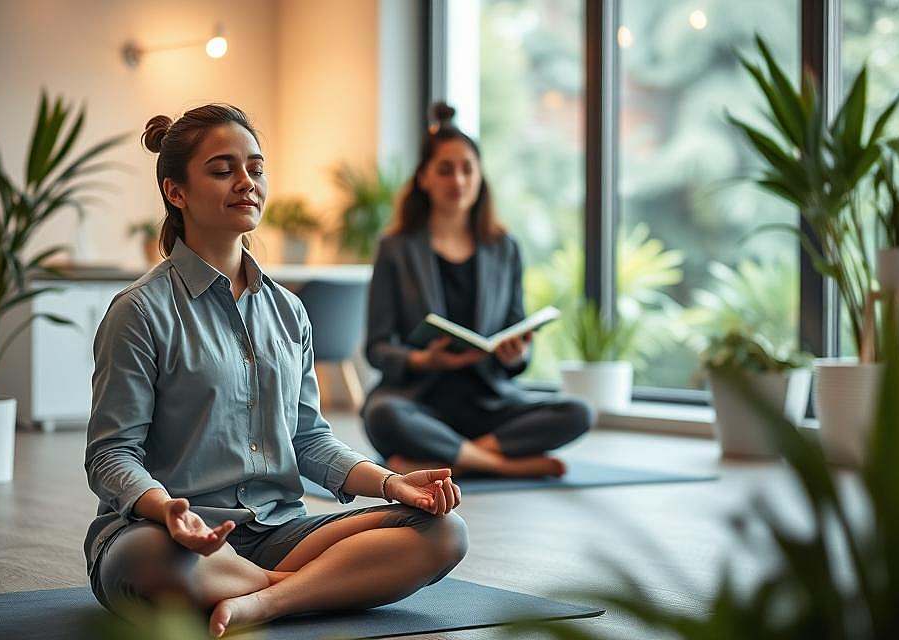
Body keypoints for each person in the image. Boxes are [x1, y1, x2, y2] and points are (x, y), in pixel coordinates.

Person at [83, 104, 468, 638]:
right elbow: (110, 455)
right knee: (143, 561)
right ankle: (311, 586)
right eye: (223, 170)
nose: (246, 183)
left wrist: (392, 484)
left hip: (281, 530)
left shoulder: (289, 311)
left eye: (255, 169)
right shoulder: (140, 312)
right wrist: (166, 509)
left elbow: (309, 440)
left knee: (444, 534)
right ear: (176, 192)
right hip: (173, 539)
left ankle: (261, 600)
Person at [362, 102, 594, 479]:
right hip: (421, 401)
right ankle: (503, 465)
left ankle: (448, 460)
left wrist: (515, 353)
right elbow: (377, 348)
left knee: (579, 412)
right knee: (382, 415)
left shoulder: (504, 248)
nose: (458, 181)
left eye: (467, 169)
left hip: (488, 401)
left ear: (480, 176)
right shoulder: (396, 248)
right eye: (445, 170)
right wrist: (423, 360)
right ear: (423, 178)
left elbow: (518, 342)